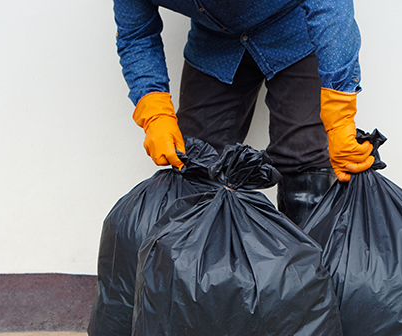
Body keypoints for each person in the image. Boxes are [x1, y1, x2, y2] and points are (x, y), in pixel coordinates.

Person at [113, 0, 374, 226]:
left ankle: (307, 276)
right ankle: (205, 279)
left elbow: (330, 6)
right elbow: (136, 35)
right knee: (194, 162)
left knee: (304, 158)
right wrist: (155, 112)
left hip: (293, 32)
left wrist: (340, 114)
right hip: (215, 44)